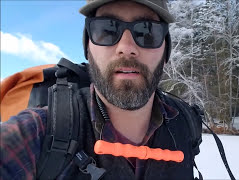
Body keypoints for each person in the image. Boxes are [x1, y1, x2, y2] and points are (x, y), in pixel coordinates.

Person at [0, 0, 203, 179]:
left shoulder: (186, 126)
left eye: (147, 31)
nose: (126, 47)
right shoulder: (35, 133)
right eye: (107, 30)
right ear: (88, 47)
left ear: (165, 50)